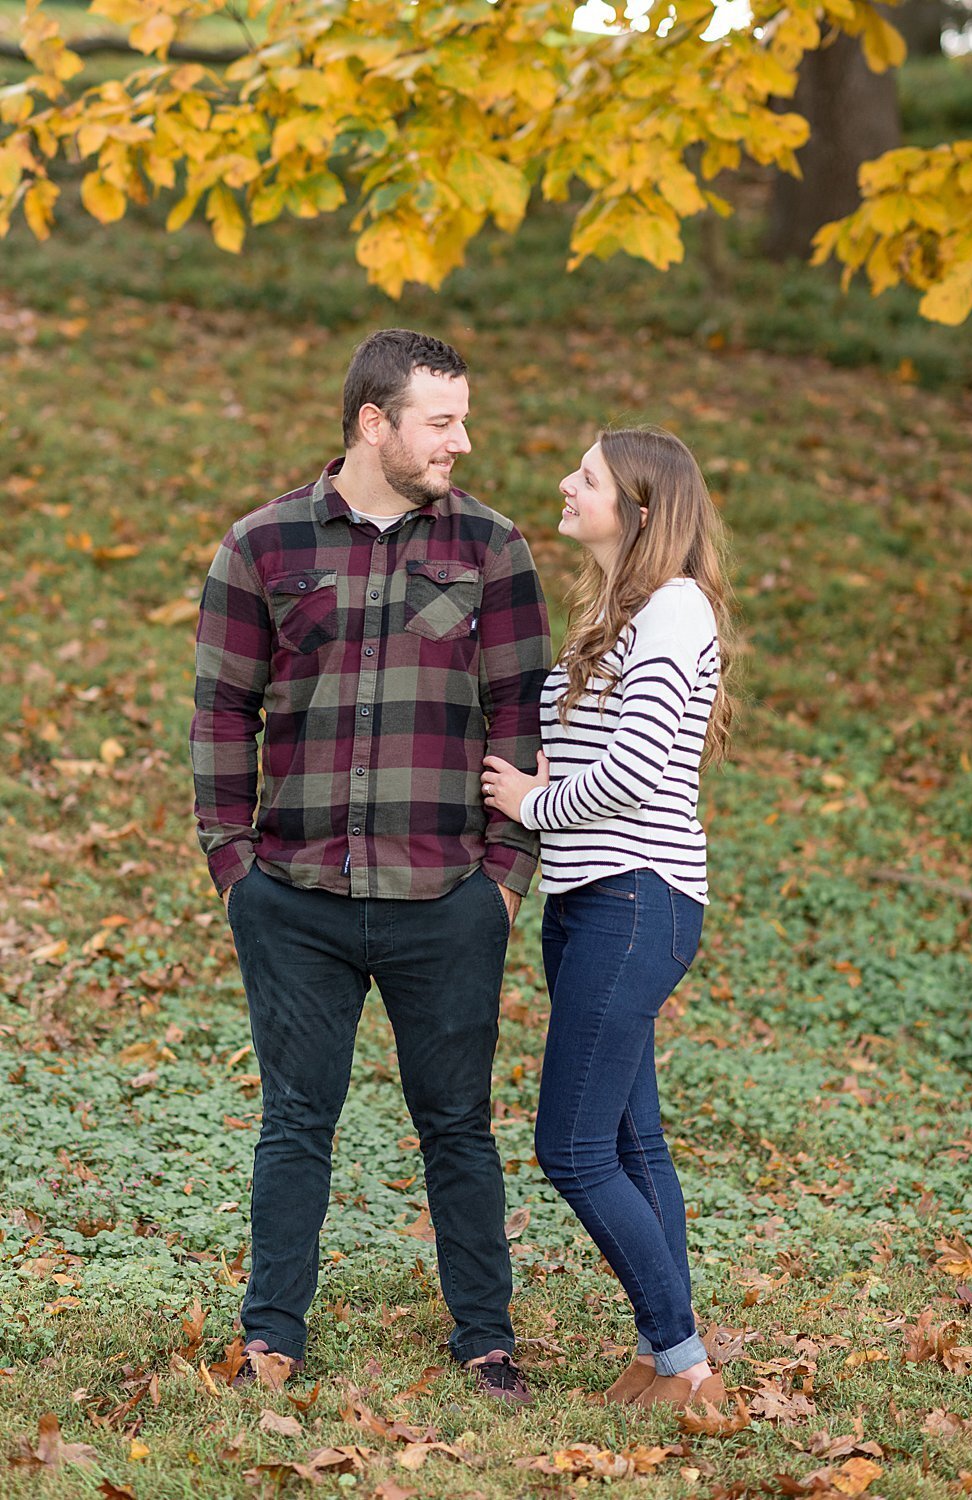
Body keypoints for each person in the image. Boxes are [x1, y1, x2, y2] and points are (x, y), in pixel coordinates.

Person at [190, 328, 550, 1404]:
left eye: (462, 420)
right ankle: (271, 1340)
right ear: (373, 422)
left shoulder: (491, 548)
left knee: (458, 1126)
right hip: (293, 896)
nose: (463, 442)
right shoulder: (262, 545)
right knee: (296, 1121)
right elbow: (221, 711)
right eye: (442, 422)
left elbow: (524, 716)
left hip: (446, 896)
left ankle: (486, 1341)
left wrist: (502, 879)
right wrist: (233, 865)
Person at [481, 427, 734, 1408]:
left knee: (573, 1148)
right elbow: (601, 751)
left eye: (583, 477)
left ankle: (689, 1367)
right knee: (633, 1143)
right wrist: (550, 782)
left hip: (636, 899)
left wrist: (530, 806)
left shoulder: (672, 611)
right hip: (594, 900)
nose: (564, 485)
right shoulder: (621, 612)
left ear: (638, 507)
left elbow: (634, 771)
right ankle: (657, 1356)